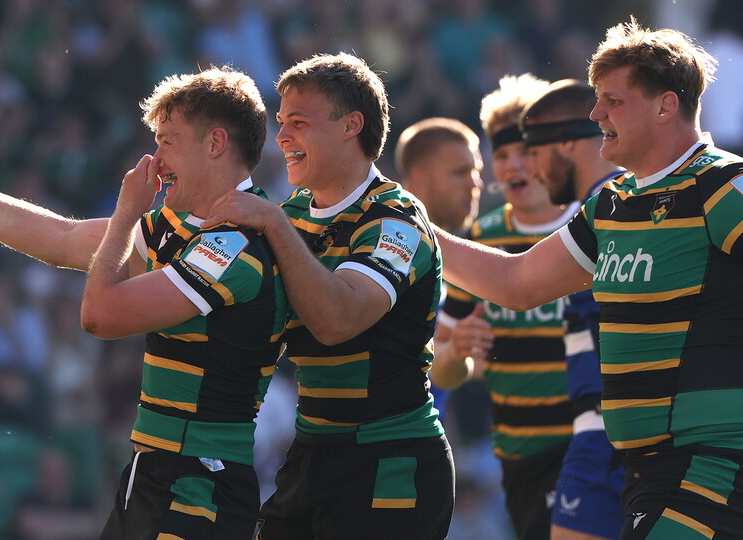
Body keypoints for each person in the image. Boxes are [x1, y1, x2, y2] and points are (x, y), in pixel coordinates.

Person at [0, 66, 288, 539]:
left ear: (215, 144)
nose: (156, 157)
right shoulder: (185, 229)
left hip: (199, 484)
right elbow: (61, 234)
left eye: (169, 140)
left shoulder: (233, 245)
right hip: (157, 472)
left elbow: (98, 315)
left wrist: (127, 213)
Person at [434, 19, 743, 539]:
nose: (595, 113)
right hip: (644, 469)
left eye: (612, 101)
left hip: (714, 462)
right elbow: (516, 282)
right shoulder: (611, 204)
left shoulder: (722, 185)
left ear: (666, 106)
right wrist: (414, 225)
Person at [205, 52, 453, 540]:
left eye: (298, 123)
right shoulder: (292, 213)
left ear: (351, 126)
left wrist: (273, 223)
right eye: (281, 123)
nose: (282, 138)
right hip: (312, 453)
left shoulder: (395, 219)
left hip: (389, 459)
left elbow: (338, 319)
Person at [439, 73, 578, 540]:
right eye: (501, 155)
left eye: (525, 151)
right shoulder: (480, 240)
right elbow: (443, 371)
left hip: (594, 445)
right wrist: (458, 351)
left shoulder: (594, 223)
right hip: (519, 453)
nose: (513, 165)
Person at [521, 77, 627, 540]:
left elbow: (516, 284)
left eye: (534, 149)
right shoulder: (602, 208)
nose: (532, 168)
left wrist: (421, 227)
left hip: (609, 433)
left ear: (566, 141)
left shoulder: (613, 210)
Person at [392, 117, 490, 407]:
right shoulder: (394, 250)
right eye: (461, 172)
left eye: (477, 171)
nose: (476, 184)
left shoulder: (449, 254)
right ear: (420, 178)